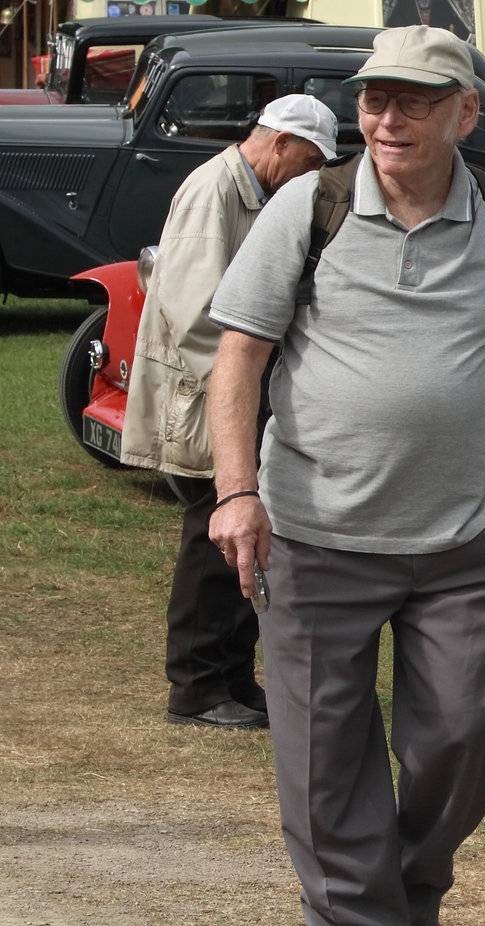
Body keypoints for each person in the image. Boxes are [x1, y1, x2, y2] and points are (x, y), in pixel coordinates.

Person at [206, 25, 485, 925]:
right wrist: (237, 494)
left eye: (415, 99)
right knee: (325, 769)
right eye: (373, 98)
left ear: (467, 112)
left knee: (466, 735)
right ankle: (362, 913)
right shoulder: (307, 206)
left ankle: (404, 892)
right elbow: (239, 358)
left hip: (470, 538)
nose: (388, 117)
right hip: (313, 534)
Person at [121, 93, 338, 731]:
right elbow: (196, 314)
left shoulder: (250, 192)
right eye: (309, 160)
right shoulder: (213, 193)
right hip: (203, 403)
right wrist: (252, 380)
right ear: (279, 144)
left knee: (244, 538)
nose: (312, 174)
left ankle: (232, 678)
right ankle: (195, 687)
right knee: (209, 539)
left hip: (227, 399)